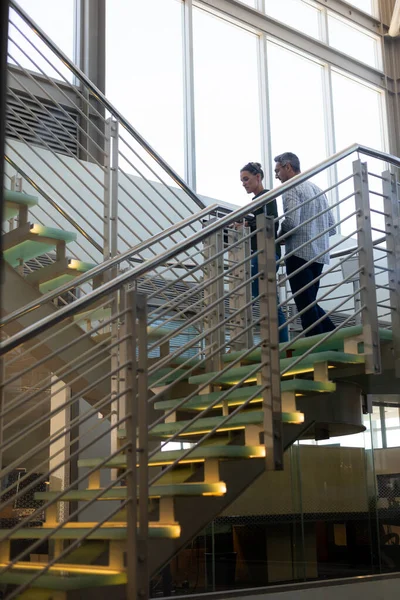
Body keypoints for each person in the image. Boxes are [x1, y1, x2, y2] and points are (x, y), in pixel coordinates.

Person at [274, 152, 336, 337]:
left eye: (277, 170)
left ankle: (316, 346)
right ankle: (333, 335)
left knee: (305, 305)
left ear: (288, 167)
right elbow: (331, 227)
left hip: (299, 253)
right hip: (318, 255)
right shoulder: (317, 189)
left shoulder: (291, 187)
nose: (276, 175)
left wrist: (280, 236)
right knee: (309, 302)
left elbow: (292, 221)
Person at [240, 162, 288, 343]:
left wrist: (248, 222)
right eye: (242, 181)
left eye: (246, 179)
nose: (244, 183)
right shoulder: (257, 201)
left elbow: (270, 222)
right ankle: (278, 342)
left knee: (267, 300)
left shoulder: (266, 196)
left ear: (257, 177)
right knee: (266, 300)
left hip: (265, 252)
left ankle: (280, 343)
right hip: (260, 252)